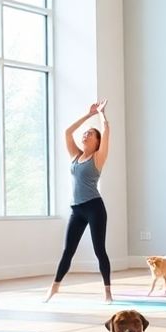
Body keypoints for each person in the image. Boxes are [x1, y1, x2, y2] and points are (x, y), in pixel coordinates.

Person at [46, 101, 113, 303]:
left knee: (99, 250)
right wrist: (87, 114)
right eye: (85, 134)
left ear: (97, 142)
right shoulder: (75, 156)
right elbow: (68, 132)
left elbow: (107, 130)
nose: (85, 135)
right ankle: (54, 288)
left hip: (94, 207)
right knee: (68, 250)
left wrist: (101, 115)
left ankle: (108, 291)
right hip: (77, 209)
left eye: (90, 134)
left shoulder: (98, 158)